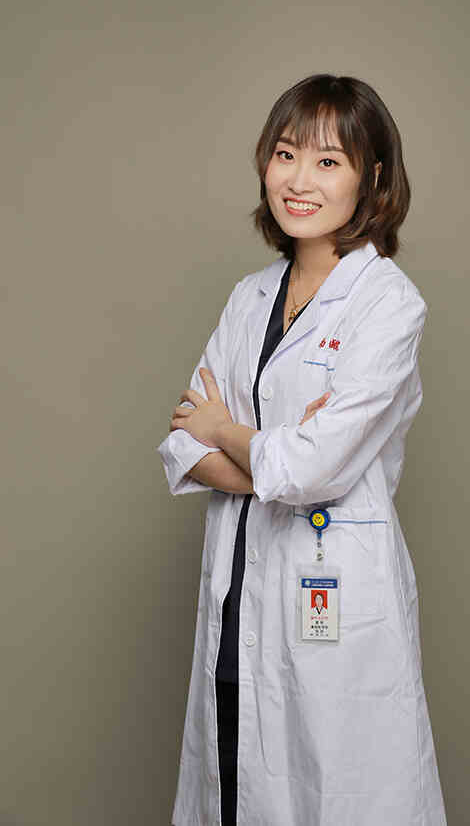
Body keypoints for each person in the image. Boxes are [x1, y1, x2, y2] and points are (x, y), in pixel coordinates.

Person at [157, 73, 448, 825]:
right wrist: (273, 455)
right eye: (286, 154)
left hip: (332, 598)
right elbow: (182, 443)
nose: (298, 180)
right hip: (238, 595)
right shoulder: (249, 296)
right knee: (234, 785)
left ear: (371, 176)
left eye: (328, 162)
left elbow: (311, 467)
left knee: (336, 791)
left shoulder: (388, 305)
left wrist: (229, 430)